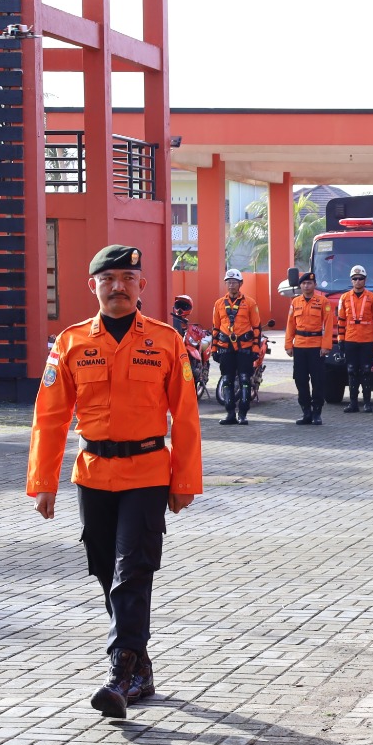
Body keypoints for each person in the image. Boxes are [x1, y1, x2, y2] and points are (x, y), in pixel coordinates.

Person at [27, 245, 202, 719]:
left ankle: (119, 673)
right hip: (93, 472)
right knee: (106, 569)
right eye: (109, 279)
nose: (118, 286)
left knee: (133, 568)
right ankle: (141, 668)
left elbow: (185, 415)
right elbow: (50, 416)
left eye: (128, 277)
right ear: (94, 286)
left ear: (142, 285)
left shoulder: (166, 341)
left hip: (147, 471)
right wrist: (44, 482)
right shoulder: (70, 343)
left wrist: (184, 479)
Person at [211, 267, 264, 425]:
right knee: (226, 379)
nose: (231, 285)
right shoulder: (219, 304)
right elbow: (215, 327)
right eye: (228, 282)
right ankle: (229, 413)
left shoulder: (250, 303)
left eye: (234, 282)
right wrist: (214, 349)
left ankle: (243, 414)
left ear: (240, 284)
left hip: (245, 347)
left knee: (244, 379)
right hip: (225, 347)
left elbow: (257, 327)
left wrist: (255, 349)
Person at [284, 271, 336, 426]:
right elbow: (290, 324)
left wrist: (326, 346)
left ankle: (317, 412)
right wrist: (288, 344)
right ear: (300, 285)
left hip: (316, 347)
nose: (307, 286)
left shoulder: (322, 301)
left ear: (315, 285)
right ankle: (306, 411)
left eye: (310, 283)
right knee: (300, 380)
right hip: (299, 345)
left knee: (318, 380)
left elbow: (328, 324)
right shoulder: (295, 302)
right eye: (304, 283)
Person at [336, 264, 373, 413]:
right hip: (350, 339)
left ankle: (367, 403)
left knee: (366, 371)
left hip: (367, 340)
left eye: (360, 278)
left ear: (365, 280)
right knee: (351, 371)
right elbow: (341, 321)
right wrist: (341, 340)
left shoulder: (372, 298)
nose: (358, 281)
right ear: (351, 280)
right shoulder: (344, 297)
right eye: (355, 278)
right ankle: (353, 403)